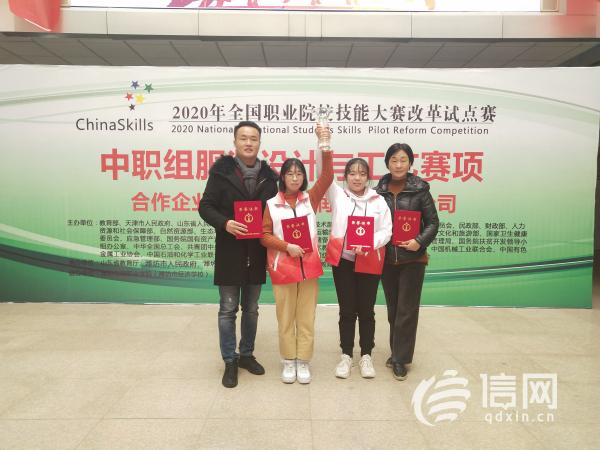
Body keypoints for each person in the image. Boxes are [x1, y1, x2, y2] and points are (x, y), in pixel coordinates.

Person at [198, 120, 278, 388]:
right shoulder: (221, 173)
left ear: (259, 143)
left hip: (257, 252)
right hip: (229, 251)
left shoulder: (270, 178)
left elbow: (276, 214)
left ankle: (246, 355)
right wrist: (225, 223)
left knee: (252, 309)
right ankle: (229, 360)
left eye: (253, 138)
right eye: (243, 138)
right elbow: (205, 206)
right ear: (235, 142)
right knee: (228, 309)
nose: (248, 143)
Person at [260, 126, 333, 384]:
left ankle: (303, 361)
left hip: (309, 268)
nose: (295, 177)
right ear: (282, 177)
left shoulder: (310, 199)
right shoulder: (272, 204)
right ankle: (288, 360)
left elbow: (327, 176)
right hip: (283, 269)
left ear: (303, 177)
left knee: (306, 317)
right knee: (285, 317)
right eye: (290, 173)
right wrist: (285, 247)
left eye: (299, 173)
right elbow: (263, 235)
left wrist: (325, 143)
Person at [375, 143, 439, 381]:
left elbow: (433, 222)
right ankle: (396, 352)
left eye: (403, 160)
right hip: (387, 259)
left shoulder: (420, 190)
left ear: (410, 163)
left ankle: (401, 359)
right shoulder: (378, 192)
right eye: (394, 160)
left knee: (407, 310)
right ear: (387, 163)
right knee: (394, 310)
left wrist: (419, 242)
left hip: (413, 259)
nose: (398, 164)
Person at [324, 157, 392, 379]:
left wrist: (370, 243)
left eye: (362, 174)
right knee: (346, 310)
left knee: (366, 310)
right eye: (352, 173)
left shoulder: (378, 201)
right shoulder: (338, 195)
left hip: (369, 260)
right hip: (343, 261)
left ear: (368, 177)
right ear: (345, 176)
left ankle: (366, 355)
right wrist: (323, 144)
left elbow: (387, 231)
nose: (357, 178)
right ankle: (346, 355)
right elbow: (323, 172)